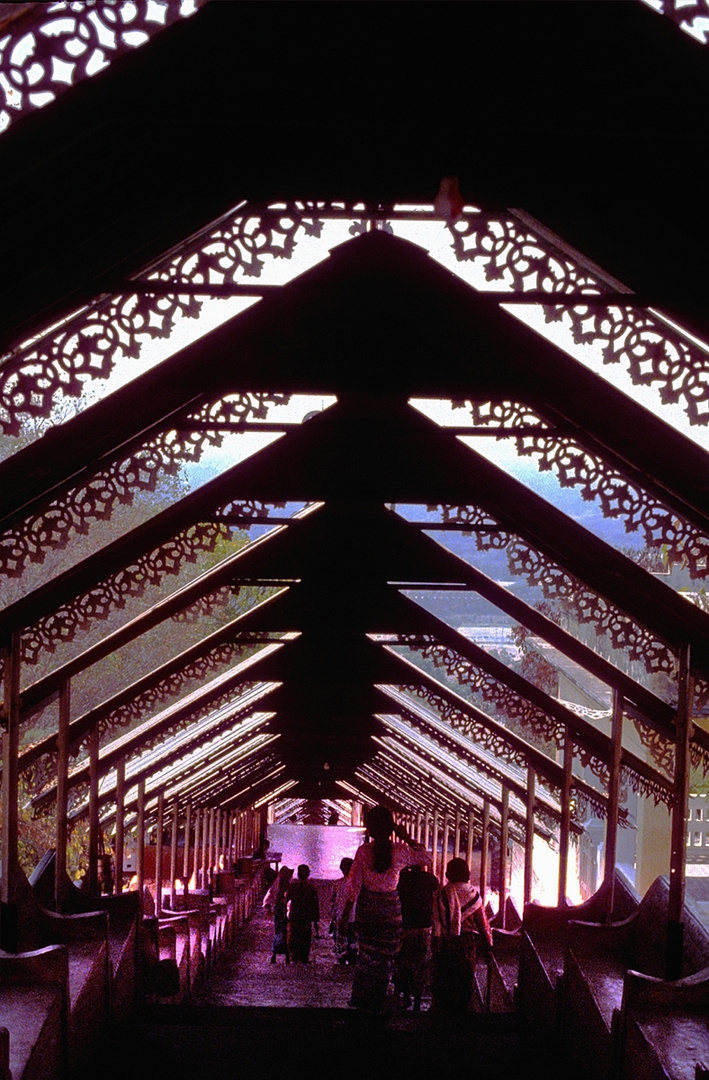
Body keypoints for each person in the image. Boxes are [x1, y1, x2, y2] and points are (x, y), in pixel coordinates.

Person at [339, 805, 431, 1013]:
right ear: (391, 829)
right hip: (391, 911)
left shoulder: (363, 852)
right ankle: (380, 998)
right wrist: (405, 837)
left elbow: (353, 885)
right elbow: (426, 858)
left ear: (369, 829)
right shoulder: (400, 851)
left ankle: (364, 999)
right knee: (386, 958)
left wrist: (345, 917)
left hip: (367, 911)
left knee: (367, 957)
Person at [431, 856, 493, 1013]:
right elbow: (483, 926)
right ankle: (461, 1021)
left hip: (444, 944)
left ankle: (442, 1019)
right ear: (468, 874)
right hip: (466, 946)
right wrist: (489, 946)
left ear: (447, 874)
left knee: (444, 982)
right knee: (464, 983)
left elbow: (435, 923)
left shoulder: (440, 894)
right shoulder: (474, 896)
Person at [394, 861, 439, 1011]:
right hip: (424, 926)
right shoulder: (431, 879)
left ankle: (405, 996)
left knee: (403, 961)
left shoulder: (402, 878)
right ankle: (418, 1002)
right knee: (421, 964)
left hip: (405, 924)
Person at [286, 863, 320, 963]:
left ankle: (295, 959)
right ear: (308, 875)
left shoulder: (293, 887)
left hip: (295, 917)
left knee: (294, 939)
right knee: (305, 941)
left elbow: (287, 900)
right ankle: (304, 959)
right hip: (306, 919)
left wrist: (286, 915)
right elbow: (315, 907)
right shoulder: (311, 889)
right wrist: (316, 922)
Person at [263, 865, 293, 964]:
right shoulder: (288, 887)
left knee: (278, 931)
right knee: (285, 932)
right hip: (285, 910)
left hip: (277, 910)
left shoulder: (276, 885)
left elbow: (266, 899)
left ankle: (274, 955)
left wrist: (268, 909)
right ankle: (287, 955)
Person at [330, 856, 356, 965]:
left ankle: (341, 961)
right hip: (354, 918)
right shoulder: (357, 884)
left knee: (340, 943)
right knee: (353, 943)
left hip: (340, 918)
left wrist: (333, 916)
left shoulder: (337, 884)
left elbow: (333, 902)